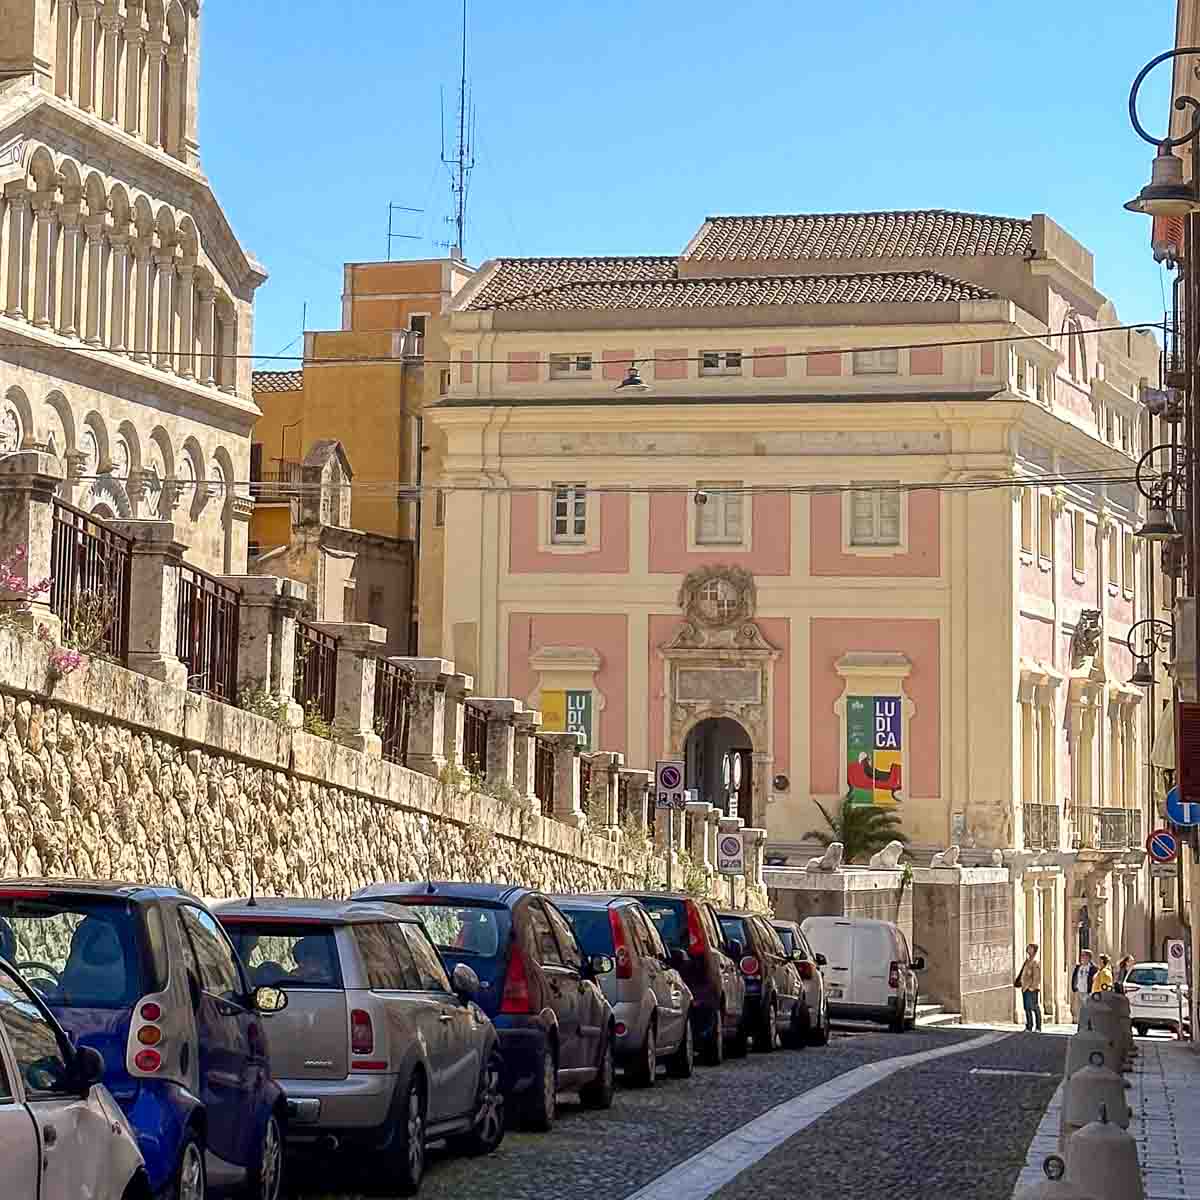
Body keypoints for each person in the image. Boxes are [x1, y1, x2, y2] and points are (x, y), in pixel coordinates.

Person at [1018, 943, 1043, 1032]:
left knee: (1035, 1007)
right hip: (1025, 988)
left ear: (1034, 950)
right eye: (1028, 948)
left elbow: (1037, 976)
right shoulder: (1027, 961)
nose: (1028, 949)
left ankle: (1038, 1027)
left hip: (1031, 988)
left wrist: (1033, 987)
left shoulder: (1035, 962)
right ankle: (1029, 1026)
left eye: (1030, 948)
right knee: (1027, 1008)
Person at [1070, 949, 1096, 1020]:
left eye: (1083, 956)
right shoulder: (1078, 967)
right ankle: (1080, 1024)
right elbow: (1074, 977)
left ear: (1088, 957)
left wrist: (1091, 991)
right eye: (1081, 956)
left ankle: (1088, 1024)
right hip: (1079, 991)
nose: (1082, 957)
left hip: (1087, 992)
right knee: (1079, 1010)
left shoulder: (1093, 968)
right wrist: (1074, 987)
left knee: (1088, 1009)